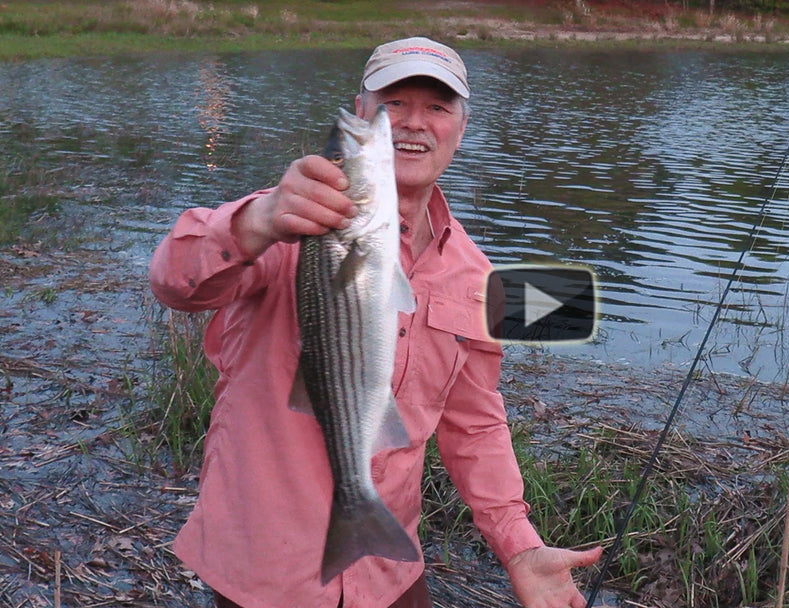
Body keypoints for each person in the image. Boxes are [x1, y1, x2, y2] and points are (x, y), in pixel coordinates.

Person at [149, 37, 602, 608]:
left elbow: (476, 422)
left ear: (461, 126)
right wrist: (258, 221)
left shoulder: (476, 272)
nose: (414, 124)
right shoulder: (284, 222)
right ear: (362, 112)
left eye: (437, 107)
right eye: (393, 104)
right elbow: (174, 282)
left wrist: (518, 545)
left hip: (388, 567)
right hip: (265, 568)